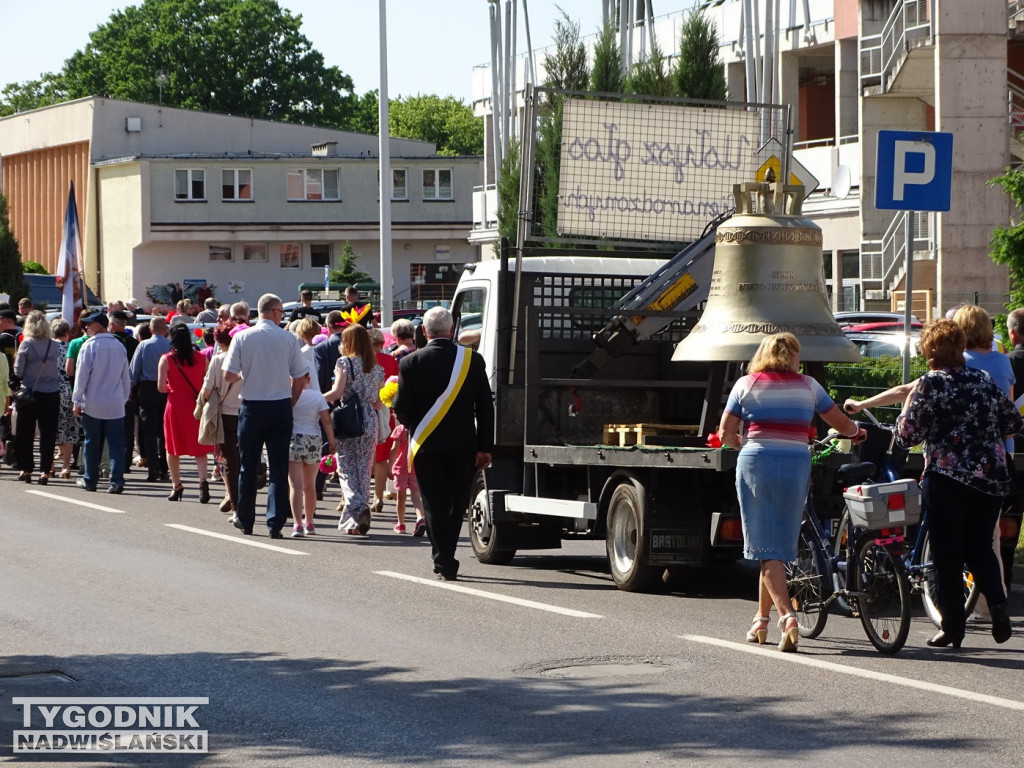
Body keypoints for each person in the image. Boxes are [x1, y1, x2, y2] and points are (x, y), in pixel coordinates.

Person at [717, 332, 865, 652]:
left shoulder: (746, 384)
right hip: (796, 464)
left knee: (765, 546)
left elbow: (726, 433)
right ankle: (760, 620)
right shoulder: (809, 385)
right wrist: (857, 432)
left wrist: (749, 447)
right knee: (776, 545)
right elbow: (840, 422)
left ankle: (787, 618)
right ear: (792, 357)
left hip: (757, 464)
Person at [895, 319, 1023, 648]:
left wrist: (902, 414)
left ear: (930, 350)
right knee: (980, 546)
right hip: (990, 477)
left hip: (947, 478)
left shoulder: (930, 384)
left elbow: (907, 437)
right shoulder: (981, 380)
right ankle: (997, 604)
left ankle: (953, 627)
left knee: (947, 553)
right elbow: (1013, 420)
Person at [393, 307, 494, 580]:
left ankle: (444, 559)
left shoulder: (410, 362)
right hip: (464, 445)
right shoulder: (472, 360)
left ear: (423, 332)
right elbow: (485, 407)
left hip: (427, 445)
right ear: (452, 330)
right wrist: (485, 446)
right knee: (455, 505)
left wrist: (413, 424)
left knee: (433, 503)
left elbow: (401, 407)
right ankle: (445, 557)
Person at [223, 294, 307, 538]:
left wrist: (245, 374)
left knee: (248, 466)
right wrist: (290, 401)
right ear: (275, 312)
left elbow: (229, 374)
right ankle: (275, 523)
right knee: (278, 468)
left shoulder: (242, 336)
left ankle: (246, 519)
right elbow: (300, 377)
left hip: (252, 407)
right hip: (280, 406)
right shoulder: (288, 338)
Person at [323, 324, 384, 534]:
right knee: (364, 472)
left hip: (349, 420)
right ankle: (355, 523)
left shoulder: (345, 363)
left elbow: (337, 391)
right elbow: (378, 401)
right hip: (369, 419)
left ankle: (359, 510)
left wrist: (315, 399)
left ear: (348, 342)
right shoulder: (375, 367)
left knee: (346, 470)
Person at [72, 312, 131, 493]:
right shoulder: (119, 346)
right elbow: (125, 377)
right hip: (114, 403)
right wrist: (123, 399)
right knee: (116, 444)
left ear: (99, 325)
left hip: (93, 402)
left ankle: (90, 480)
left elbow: (81, 376)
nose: (86, 327)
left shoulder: (89, 346)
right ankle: (117, 481)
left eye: (89, 324)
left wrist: (76, 400)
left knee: (91, 441)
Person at [158, 323, 213, 502]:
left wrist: (172, 387)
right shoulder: (201, 357)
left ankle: (177, 485)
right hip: (196, 405)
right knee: (199, 447)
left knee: (172, 448)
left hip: (175, 406)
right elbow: (207, 382)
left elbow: (160, 387)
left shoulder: (166, 359)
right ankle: (203, 482)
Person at [12, 310, 61, 484]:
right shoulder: (54, 345)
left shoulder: (27, 344)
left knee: (25, 433)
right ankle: (45, 471)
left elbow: (18, 371)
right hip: (51, 392)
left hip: (29, 392)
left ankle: (26, 469)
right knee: (48, 433)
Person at [200, 320, 242, 514]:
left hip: (224, 415)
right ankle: (242, 501)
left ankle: (236, 506)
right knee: (245, 459)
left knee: (228, 461)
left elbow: (206, 390)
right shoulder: (245, 359)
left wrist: (200, 405)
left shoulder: (218, 360)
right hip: (245, 412)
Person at [288, 365, 335, 537]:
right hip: (314, 440)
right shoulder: (317, 396)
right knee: (310, 486)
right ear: (308, 379)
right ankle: (309, 522)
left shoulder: (288, 395)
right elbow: (326, 420)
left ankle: (297, 524)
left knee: (295, 485)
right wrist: (331, 443)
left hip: (293, 440)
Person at [131, 316, 171, 482]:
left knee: (149, 431)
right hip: (168, 389)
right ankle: (164, 468)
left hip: (147, 389)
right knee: (164, 432)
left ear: (150, 329)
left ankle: (153, 469)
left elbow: (133, 371)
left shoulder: (143, 345)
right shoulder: (170, 345)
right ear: (165, 329)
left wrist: (130, 389)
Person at [369, 327, 399, 515]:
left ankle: (356, 497)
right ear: (381, 344)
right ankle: (378, 496)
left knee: (363, 458)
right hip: (386, 411)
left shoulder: (361, 361)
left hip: (365, 411)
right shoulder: (391, 361)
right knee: (381, 458)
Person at [110, 309, 140, 473]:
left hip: (112, 390)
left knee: (113, 426)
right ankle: (125, 460)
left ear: (112, 325)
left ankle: (114, 460)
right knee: (127, 426)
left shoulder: (109, 343)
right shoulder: (134, 344)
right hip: (129, 390)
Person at [50, 318, 78, 479]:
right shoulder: (71, 348)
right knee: (70, 428)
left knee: (51, 428)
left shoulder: (48, 349)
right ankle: (66, 467)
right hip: (70, 390)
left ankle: (51, 465)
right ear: (67, 333)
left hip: (52, 390)